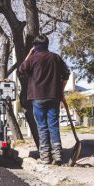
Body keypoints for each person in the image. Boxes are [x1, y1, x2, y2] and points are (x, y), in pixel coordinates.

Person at [17, 34, 70, 165]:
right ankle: (58, 155)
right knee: (53, 125)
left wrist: (29, 54)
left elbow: (21, 70)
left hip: (37, 97)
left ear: (35, 46)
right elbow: (66, 74)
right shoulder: (55, 57)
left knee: (42, 126)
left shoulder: (32, 58)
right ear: (47, 44)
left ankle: (45, 157)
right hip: (54, 96)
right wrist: (61, 91)